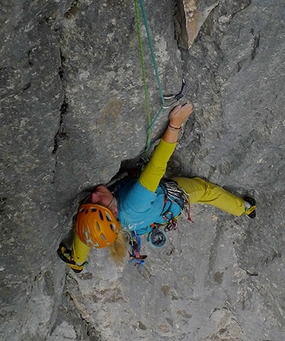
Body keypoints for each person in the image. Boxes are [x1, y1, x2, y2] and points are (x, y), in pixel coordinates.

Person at [58, 103, 256, 272]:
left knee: (87, 226)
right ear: (114, 210)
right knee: (205, 191)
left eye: (91, 202)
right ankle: (244, 208)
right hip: (170, 201)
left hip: (142, 221)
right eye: (99, 202)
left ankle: (78, 261)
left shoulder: (108, 221)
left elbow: (85, 230)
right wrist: (175, 125)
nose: (93, 195)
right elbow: (157, 166)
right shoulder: (135, 201)